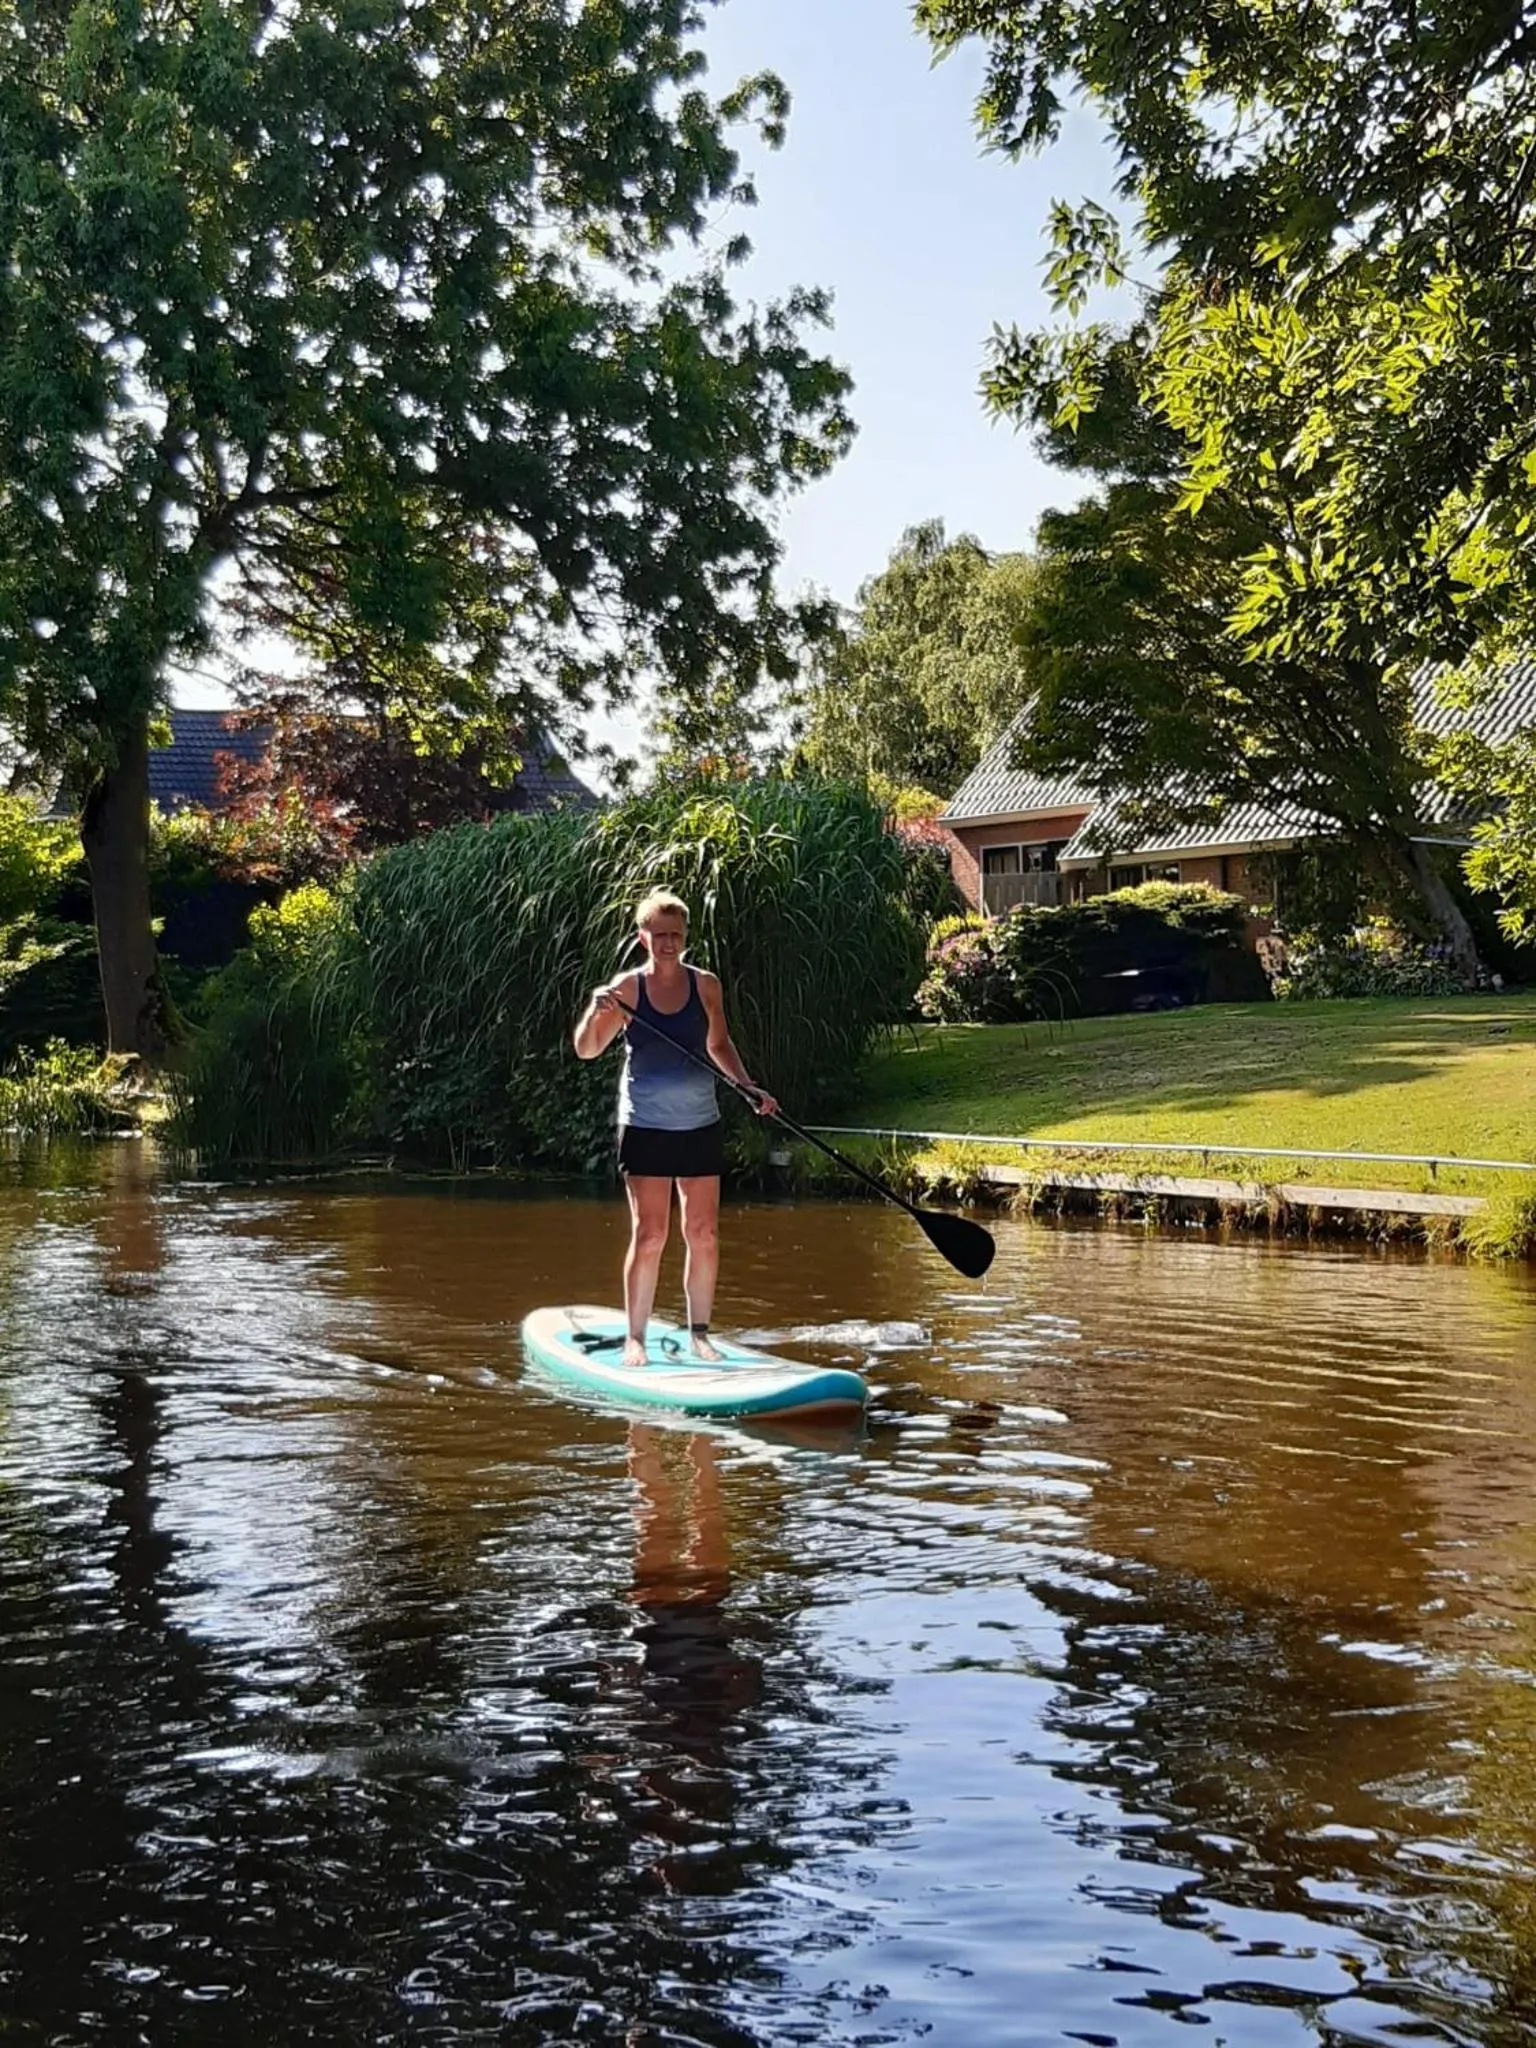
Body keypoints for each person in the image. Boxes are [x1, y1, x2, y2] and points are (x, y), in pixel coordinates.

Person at [573, 891, 778, 1368]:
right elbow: (586, 1049)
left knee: (703, 1232)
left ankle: (700, 1335)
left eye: (676, 936)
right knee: (650, 1234)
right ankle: (636, 1339)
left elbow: (719, 1045)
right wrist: (596, 1009)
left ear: (685, 938)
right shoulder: (627, 989)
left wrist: (748, 1088)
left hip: (699, 1124)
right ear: (643, 937)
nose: (668, 943)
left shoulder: (706, 986)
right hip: (645, 1125)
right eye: (659, 935)